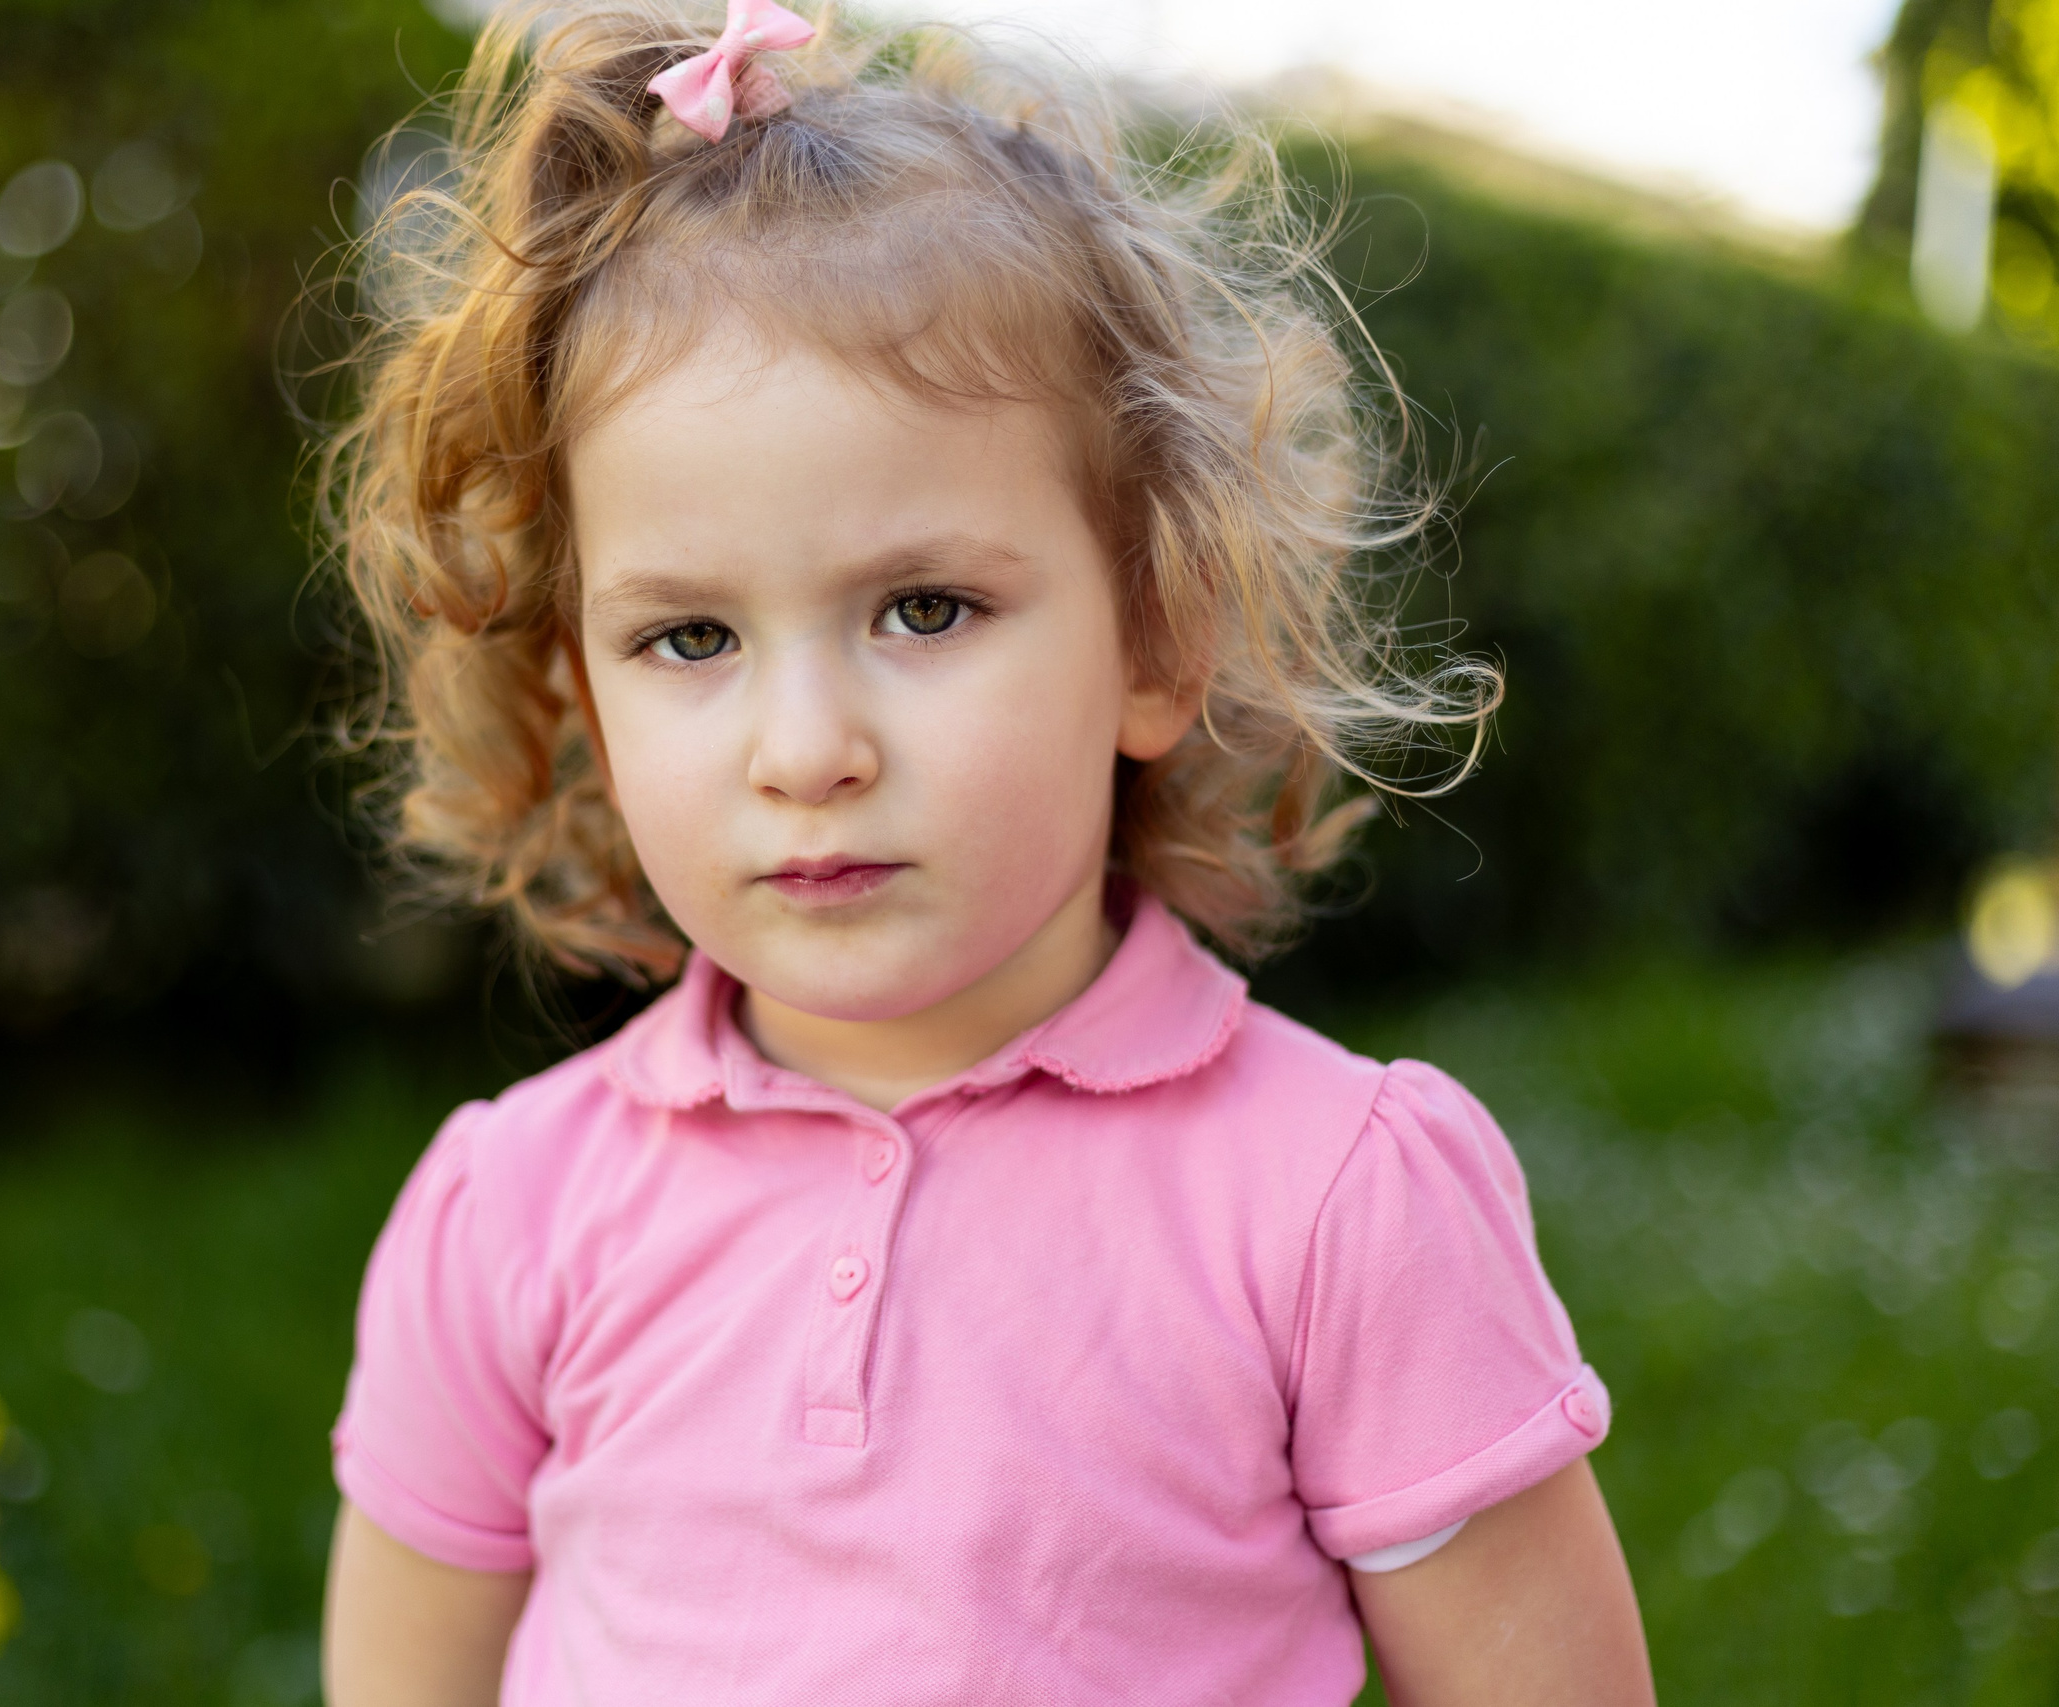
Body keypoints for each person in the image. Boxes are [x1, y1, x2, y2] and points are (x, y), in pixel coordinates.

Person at [314, 2, 1652, 1701]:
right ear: (580, 688)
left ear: (1156, 641)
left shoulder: (1335, 1203)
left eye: (923, 607)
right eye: (689, 641)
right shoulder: (506, 1216)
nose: (807, 752)